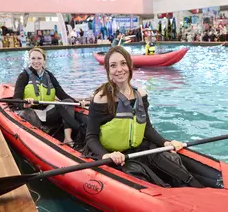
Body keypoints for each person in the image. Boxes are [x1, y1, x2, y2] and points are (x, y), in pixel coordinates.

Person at [85, 46, 203, 188]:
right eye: (113, 65)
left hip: (138, 149)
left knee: (171, 158)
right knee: (136, 171)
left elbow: (146, 127)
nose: (119, 69)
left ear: (129, 65)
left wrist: (165, 142)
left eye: (123, 63)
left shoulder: (140, 94)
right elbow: (91, 137)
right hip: (115, 156)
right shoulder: (101, 98)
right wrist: (106, 156)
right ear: (108, 71)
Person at [13, 47, 81, 147]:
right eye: (33, 58)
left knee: (68, 101)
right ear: (29, 60)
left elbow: (62, 95)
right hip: (31, 112)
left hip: (47, 112)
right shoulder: (24, 76)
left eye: (39, 58)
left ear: (44, 60)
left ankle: (67, 138)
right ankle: (41, 139)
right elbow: (16, 99)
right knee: (27, 112)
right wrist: (24, 104)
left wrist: (78, 103)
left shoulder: (49, 75)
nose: (36, 61)